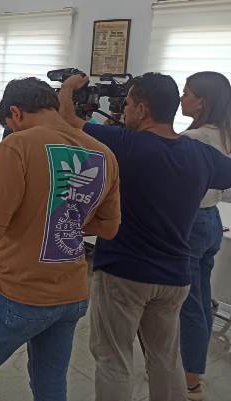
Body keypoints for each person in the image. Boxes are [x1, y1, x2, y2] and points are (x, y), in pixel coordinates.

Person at [59, 73, 231, 401]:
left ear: (142, 109)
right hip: (175, 277)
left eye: (127, 104)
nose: (124, 110)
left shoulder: (126, 143)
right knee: (165, 358)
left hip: (125, 273)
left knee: (113, 358)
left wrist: (68, 88)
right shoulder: (201, 153)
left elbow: (68, 121)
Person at [0, 78, 120, 401]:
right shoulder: (103, 153)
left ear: (16, 113)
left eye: (9, 125)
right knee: (50, 386)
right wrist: (58, 220)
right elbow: (109, 228)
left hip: (18, 291)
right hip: (71, 293)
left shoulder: (19, 144)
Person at [178, 71, 231, 400]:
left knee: (190, 305)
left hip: (191, 222)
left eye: (187, 93)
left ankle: (190, 379)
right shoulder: (223, 133)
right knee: (199, 298)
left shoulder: (194, 139)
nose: (181, 98)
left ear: (202, 102)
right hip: (210, 220)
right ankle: (190, 370)